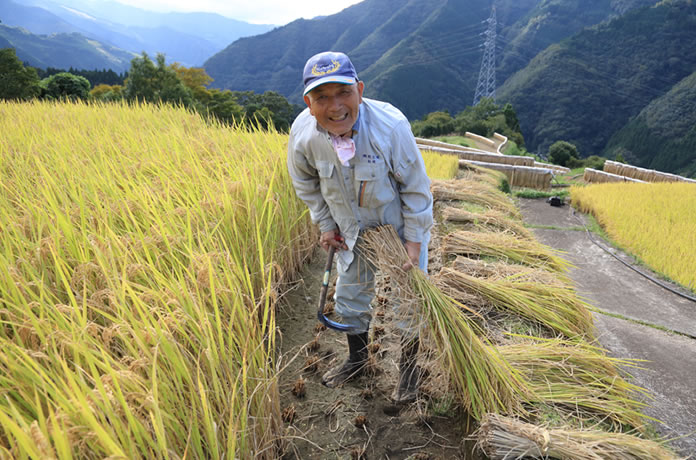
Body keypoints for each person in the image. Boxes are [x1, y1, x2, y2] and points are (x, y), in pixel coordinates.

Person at [287, 51, 433, 403]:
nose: (335, 106)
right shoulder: (303, 136)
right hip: (349, 228)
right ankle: (357, 358)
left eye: (344, 93)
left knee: (409, 299)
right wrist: (325, 225)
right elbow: (306, 184)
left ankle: (410, 370)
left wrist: (413, 242)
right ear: (309, 103)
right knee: (350, 297)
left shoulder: (390, 127)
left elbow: (415, 188)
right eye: (322, 97)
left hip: (395, 226)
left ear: (360, 90)